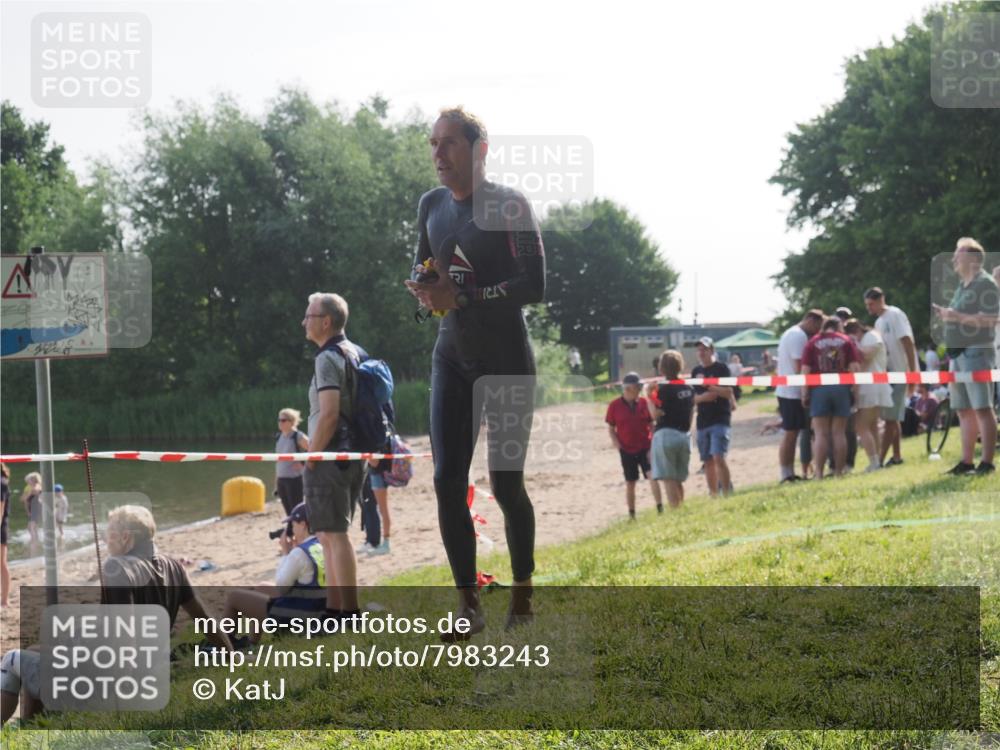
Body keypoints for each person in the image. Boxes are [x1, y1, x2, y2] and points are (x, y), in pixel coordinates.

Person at [404, 107, 544, 637]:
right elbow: (425, 265)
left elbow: (534, 286)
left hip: (506, 361)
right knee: (445, 481)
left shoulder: (510, 204)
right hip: (452, 357)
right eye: (433, 144)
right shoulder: (431, 205)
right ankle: (468, 605)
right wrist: (422, 286)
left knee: (507, 486)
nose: (438, 154)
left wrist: (459, 293)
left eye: (449, 144)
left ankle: (524, 595)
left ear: (478, 149)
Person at [1, 504, 232, 725]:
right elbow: (206, 620)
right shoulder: (174, 567)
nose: (104, 540)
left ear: (125, 537)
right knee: (34, 652)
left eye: (108, 533)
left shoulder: (118, 568)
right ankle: (33, 728)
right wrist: (231, 656)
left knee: (11, 660)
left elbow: (125, 635)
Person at [301, 292, 368, 626]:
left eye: (309, 316)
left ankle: (349, 613)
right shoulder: (355, 352)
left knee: (335, 534)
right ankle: (335, 610)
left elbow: (328, 414)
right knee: (328, 533)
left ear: (325, 321)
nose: (303, 322)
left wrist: (311, 457)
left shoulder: (327, 357)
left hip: (331, 456)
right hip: (354, 454)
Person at [933, 238, 998, 475]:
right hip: (959, 353)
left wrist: (955, 316)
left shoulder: (986, 283)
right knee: (963, 409)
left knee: (982, 406)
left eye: (958, 254)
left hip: (977, 350)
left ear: (973, 258)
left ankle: (987, 462)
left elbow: (992, 319)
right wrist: (948, 316)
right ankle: (967, 461)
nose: (953, 259)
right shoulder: (963, 286)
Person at [223, 502, 326, 643]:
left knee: (234, 597)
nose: (292, 529)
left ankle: (223, 645)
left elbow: (281, 587)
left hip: (300, 619)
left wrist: (286, 553)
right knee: (261, 587)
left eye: (293, 525)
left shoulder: (299, 553)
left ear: (303, 524)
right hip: (320, 610)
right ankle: (252, 642)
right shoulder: (322, 546)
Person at [801, 317, 862, 478]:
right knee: (839, 432)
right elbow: (855, 368)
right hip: (841, 388)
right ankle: (839, 472)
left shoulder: (812, 342)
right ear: (838, 327)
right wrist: (856, 392)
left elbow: (805, 370)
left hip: (819, 389)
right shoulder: (846, 341)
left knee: (820, 433)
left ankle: (819, 474)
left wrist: (804, 392)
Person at [864, 287, 917, 467]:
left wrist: (912, 372)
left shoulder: (894, 314)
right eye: (867, 305)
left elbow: (907, 342)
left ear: (881, 300)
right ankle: (896, 456)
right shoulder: (879, 322)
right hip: (888, 374)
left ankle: (879, 460)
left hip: (900, 372)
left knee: (890, 419)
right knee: (891, 418)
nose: (868, 308)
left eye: (871, 304)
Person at [775, 310, 824, 482]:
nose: (818, 332)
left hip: (787, 390)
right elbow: (799, 367)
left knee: (793, 433)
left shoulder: (791, 332)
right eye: (818, 326)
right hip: (792, 393)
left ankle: (789, 472)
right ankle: (786, 473)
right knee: (791, 433)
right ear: (810, 320)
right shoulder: (798, 336)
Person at [606, 372, 662, 519]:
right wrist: (618, 446)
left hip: (645, 447)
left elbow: (651, 424)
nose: (640, 389)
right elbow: (612, 429)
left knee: (652, 476)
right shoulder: (614, 406)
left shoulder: (643, 403)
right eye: (638, 386)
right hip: (626, 449)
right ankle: (632, 515)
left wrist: (654, 444)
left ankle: (660, 509)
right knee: (631, 482)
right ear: (629, 388)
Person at [844, 319, 893, 472]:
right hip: (872, 385)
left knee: (861, 426)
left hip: (871, 386)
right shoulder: (869, 337)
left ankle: (874, 461)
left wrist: (852, 344)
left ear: (857, 332)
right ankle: (876, 460)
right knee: (871, 426)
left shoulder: (871, 336)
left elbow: (867, 355)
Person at [648, 351, 695, 508]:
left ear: (661, 368)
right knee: (678, 480)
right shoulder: (688, 387)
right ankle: (680, 509)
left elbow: (655, 414)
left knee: (669, 479)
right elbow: (691, 413)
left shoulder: (662, 389)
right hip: (684, 435)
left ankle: (675, 512)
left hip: (666, 434)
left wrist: (648, 396)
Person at [691, 337, 734, 496]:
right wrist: (703, 398)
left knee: (718, 457)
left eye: (705, 349)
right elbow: (692, 398)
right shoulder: (696, 371)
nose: (701, 352)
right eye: (699, 350)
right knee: (707, 461)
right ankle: (713, 494)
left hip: (720, 419)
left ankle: (727, 492)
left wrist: (711, 387)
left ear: (712, 351)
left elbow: (729, 393)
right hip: (702, 420)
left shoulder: (722, 368)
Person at [274, 408, 309, 517]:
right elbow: (278, 461)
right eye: (279, 420)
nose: (280, 422)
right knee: (288, 513)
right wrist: (276, 482)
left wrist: (302, 463)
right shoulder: (279, 437)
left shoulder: (297, 436)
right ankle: (292, 532)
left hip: (294, 479)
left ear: (291, 421)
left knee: (297, 512)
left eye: (283, 420)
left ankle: (301, 533)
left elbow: (313, 450)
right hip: (281, 479)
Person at [19, 472, 41, 548]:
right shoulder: (30, 488)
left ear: (34, 480)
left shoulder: (36, 487)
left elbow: (23, 499)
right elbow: (23, 499)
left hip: (36, 509)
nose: (28, 482)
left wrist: (27, 494)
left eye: (29, 480)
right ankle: (36, 540)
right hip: (32, 509)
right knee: (33, 527)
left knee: (31, 526)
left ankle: (34, 542)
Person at [0, 464, 9, 608]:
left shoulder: (1, 482)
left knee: (2, 563)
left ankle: (5, 601)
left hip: (1, 527)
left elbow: (0, 510)